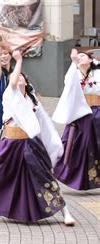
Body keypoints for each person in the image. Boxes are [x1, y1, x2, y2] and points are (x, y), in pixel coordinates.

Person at [0, 51, 75, 225]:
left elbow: (43, 124)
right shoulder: (10, 93)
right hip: (10, 143)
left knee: (44, 176)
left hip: (30, 144)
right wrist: (20, 59)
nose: (19, 78)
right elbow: (13, 80)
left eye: (22, 77)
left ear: (27, 82)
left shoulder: (32, 101)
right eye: (17, 76)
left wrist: (51, 143)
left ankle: (65, 212)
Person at [52, 49, 100, 191]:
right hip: (80, 114)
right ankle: (69, 175)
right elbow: (68, 85)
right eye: (77, 56)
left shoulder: (98, 71)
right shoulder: (74, 72)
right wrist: (74, 63)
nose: (79, 58)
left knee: (97, 145)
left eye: (82, 55)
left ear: (91, 59)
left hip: (97, 112)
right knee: (77, 145)